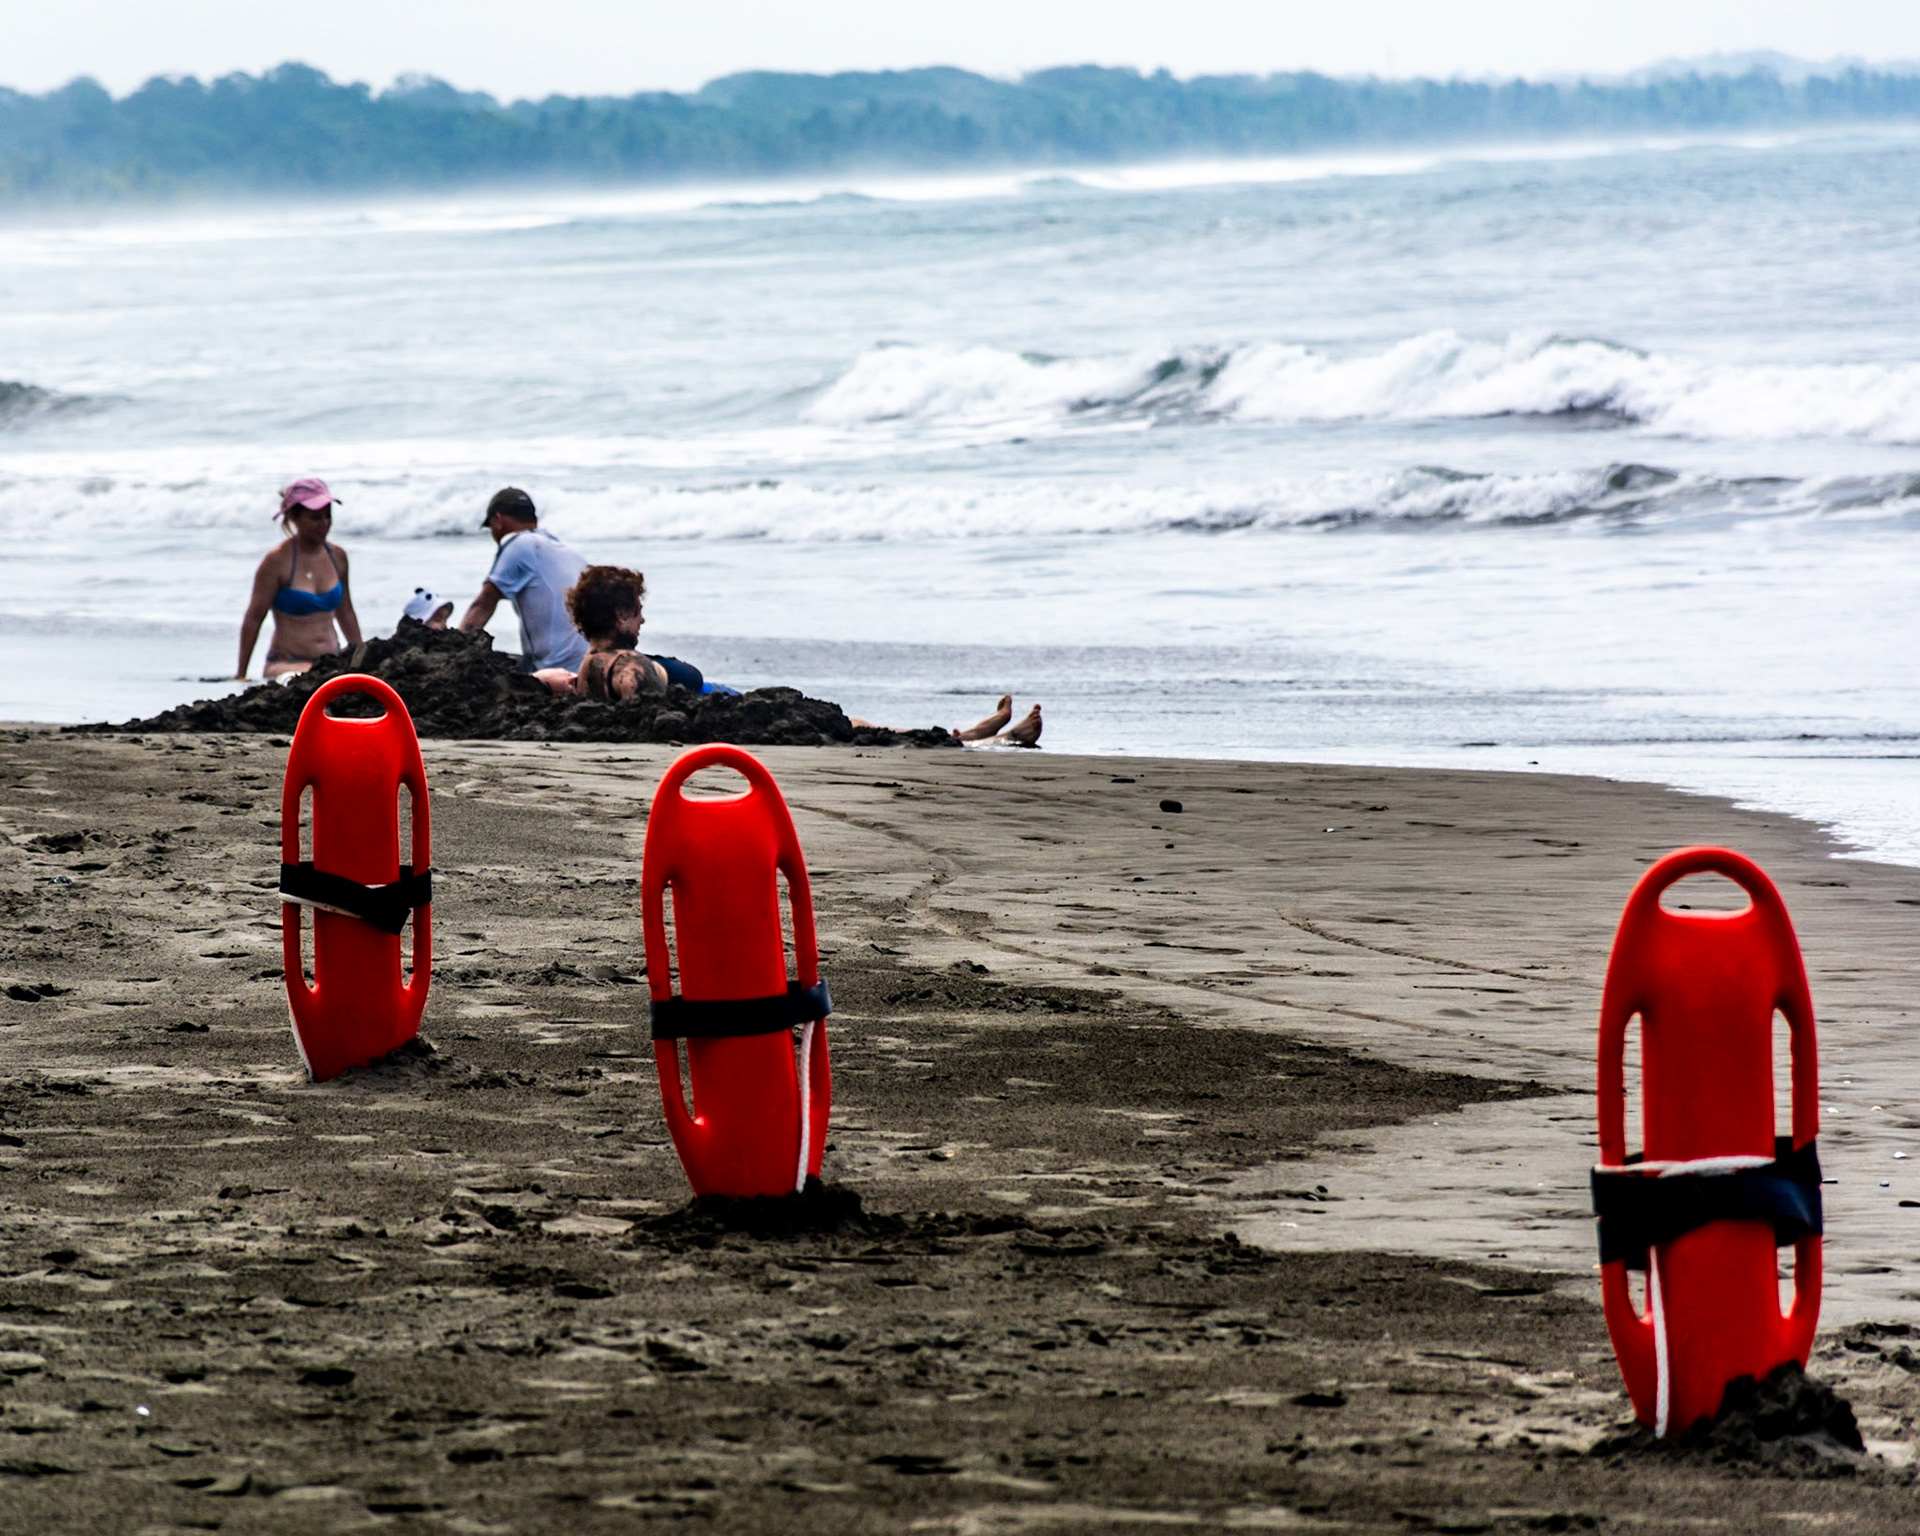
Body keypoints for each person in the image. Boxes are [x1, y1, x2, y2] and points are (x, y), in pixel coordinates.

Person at [236, 478, 363, 679]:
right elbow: (254, 617)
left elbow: (345, 611)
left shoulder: (337, 556)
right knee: (311, 687)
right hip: (287, 665)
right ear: (294, 518)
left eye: (327, 516)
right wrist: (241, 674)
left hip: (331, 661)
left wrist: (360, 659)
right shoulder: (277, 561)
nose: (324, 524)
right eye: (315, 518)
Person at [459, 487, 589, 675]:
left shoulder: (520, 544)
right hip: (588, 662)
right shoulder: (564, 549)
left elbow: (484, 602)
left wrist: (456, 648)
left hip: (557, 669)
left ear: (499, 520)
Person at [564, 565, 711, 700]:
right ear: (621, 614)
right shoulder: (633, 670)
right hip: (704, 691)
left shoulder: (585, 666)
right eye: (638, 610)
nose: (642, 620)